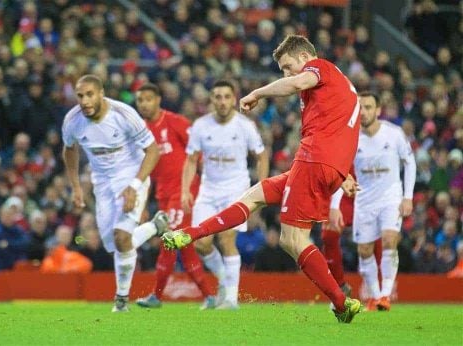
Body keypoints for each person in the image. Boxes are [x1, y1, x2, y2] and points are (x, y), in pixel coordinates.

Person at [162, 35, 363, 323]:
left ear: (306, 58)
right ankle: (189, 234)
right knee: (256, 194)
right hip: (326, 166)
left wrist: (258, 92)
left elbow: (297, 83)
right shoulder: (340, 85)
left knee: (292, 239)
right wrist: (340, 174)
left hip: (315, 160)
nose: (286, 74)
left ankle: (342, 301)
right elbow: (341, 130)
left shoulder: (320, 68)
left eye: (287, 66)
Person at [62, 74, 169, 312]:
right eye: (80, 96)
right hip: (102, 183)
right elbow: (69, 150)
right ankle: (154, 227)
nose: (85, 101)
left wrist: (134, 185)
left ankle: (121, 300)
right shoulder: (72, 120)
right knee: (114, 243)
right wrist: (76, 186)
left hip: (131, 175)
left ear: (101, 93)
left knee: (122, 237)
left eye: (90, 94)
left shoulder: (123, 115)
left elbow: (152, 151)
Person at [181, 80, 269, 309]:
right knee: (200, 243)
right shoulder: (201, 125)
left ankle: (230, 299)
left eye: (226, 97)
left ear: (233, 99)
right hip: (208, 191)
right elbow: (191, 160)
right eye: (217, 96)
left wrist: (261, 188)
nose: (221, 101)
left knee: (227, 238)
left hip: (236, 189)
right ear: (211, 100)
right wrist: (185, 190)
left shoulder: (245, 126)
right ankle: (224, 281)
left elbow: (261, 156)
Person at [133, 83, 216, 310]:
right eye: (140, 100)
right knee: (185, 246)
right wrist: (142, 205)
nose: (144, 104)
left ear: (158, 99)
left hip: (182, 193)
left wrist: (196, 187)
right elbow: (144, 170)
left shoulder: (175, 122)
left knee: (169, 241)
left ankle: (156, 297)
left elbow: (197, 153)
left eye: (148, 99)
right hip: (163, 195)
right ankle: (210, 296)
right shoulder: (139, 132)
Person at [347, 91, 416, 311]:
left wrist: (407, 197)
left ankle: (386, 295)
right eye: (361, 108)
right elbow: (340, 169)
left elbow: (410, 163)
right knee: (365, 251)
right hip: (364, 201)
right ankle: (374, 297)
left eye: (368, 107)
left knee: (389, 239)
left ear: (378, 110)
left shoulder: (393, 134)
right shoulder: (350, 137)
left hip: (390, 197)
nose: (364, 112)